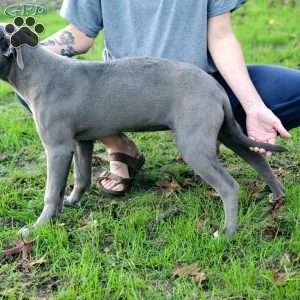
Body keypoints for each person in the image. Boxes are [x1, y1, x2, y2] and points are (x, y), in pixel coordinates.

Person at [18, 0, 300, 196]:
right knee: (38, 92)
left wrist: (253, 106)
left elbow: (221, 37)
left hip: (199, 87)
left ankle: (200, 131)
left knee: (295, 89)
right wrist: (32, 54)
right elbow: (79, 34)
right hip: (122, 95)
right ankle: (121, 149)